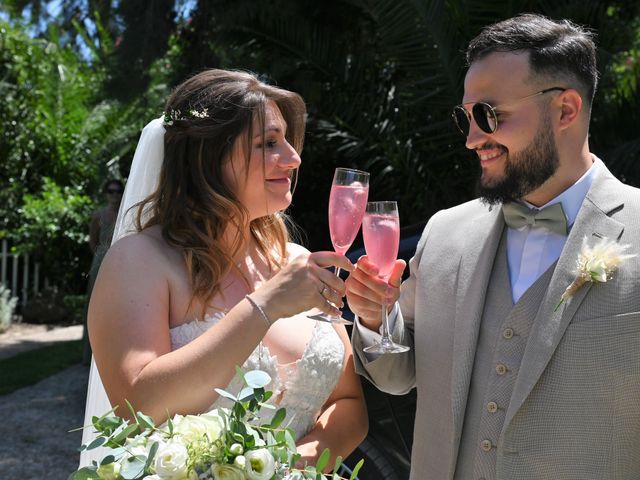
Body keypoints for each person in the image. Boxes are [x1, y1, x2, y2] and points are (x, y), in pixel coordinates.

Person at [346, 13, 640, 480]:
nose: (471, 139)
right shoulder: (445, 234)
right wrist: (373, 317)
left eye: (488, 114)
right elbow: (396, 376)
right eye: (465, 117)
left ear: (565, 109)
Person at [81, 69, 367, 468]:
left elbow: (349, 405)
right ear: (208, 156)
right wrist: (263, 305)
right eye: (269, 143)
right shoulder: (140, 260)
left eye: (287, 139)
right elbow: (136, 407)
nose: (294, 158)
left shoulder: (299, 261)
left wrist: (289, 470)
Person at [82, 179, 124, 363]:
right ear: (105, 193)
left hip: (122, 262)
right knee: (94, 304)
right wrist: (101, 257)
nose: (114, 195)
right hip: (100, 261)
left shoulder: (126, 213)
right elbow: (92, 242)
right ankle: (89, 353)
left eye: (117, 191)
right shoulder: (98, 215)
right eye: (110, 191)